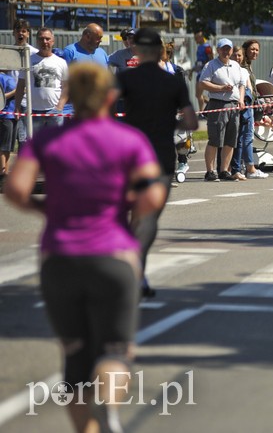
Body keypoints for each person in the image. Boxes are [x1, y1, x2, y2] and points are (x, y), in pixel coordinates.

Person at [4, 61, 167, 433]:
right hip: (113, 255)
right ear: (111, 97)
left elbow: (15, 189)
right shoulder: (128, 139)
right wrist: (127, 206)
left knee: (75, 356)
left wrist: (43, 208)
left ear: (71, 99)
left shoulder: (45, 140)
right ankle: (108, 410)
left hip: (59, 257)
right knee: (114, 351)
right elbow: (153, 194)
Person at [117, 27, 198, 297]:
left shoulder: (126, 78)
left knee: (131, 213)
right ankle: (137, 271)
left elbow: (103, 108)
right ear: (160, 51)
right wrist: (167, 122)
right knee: (149, 217)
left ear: (137, 50)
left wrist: (126, 122)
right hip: (161, 157)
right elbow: (191, 122)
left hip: (130, 155)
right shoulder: (174, 81)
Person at [199, 38, 247, 182]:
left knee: (230, 140)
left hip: (233, 105)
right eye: (223, 49)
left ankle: (224, 170)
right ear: (218, 50)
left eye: (228, 49)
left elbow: (241, 84)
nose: (226, 51)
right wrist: (220, 88)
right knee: (215, 139)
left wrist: (241, 99)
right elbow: (203, 83)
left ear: (231, 50)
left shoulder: (236, 66)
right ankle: (210, 171)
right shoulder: (211, 65)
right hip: (218, 104)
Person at [14, 28, 69, 135]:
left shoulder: (61, 62)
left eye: (47, 39)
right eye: (41, 39)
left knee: (55, 146)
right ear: (36, 41)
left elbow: (66, 87)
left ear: (53, 41)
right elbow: (20, 85)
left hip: (54, 112)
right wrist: (17, 107)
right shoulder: (27, 61)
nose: (44, 42)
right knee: (36, 147)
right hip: (33, 112)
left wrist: (60, 107)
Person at [232, 40, 268, 179]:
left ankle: (243, 166)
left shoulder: (248, 67)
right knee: (246, 137)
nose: (255, 52)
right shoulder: (243, 68)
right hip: (245, 105)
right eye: (252, 49)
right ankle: (250, 168)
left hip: (250, 104)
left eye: (257, 50)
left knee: (245, 137)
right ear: (245, 50)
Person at [8, 19, 38, 146]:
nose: (21, 34)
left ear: (28, 34)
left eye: (24, 31)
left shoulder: (34, 53)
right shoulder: (7, 52)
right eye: (18, 31)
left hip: (27, 101)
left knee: (24, 139)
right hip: (8, 100)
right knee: (7, 140)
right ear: (13, 33)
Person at [0, 70, 17, 175]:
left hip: (12, 115)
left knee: (9, 147)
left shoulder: (8, 77)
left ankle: (6, 170)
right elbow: (1, 97)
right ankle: (2, 172)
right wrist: (16, 91)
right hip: (4, 115)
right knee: (4, 145)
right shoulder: (1, 78)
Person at [193, 30, 214, 114]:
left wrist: (204, 67)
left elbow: (211, 59)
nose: (195, 40)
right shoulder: (199, 47)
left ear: (201, 37)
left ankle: (201, 112)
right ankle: (210, 104)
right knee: (198, 95)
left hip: (204, 72)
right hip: (199, 72)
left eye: (196, 38)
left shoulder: (207, 47)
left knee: (199, 94)